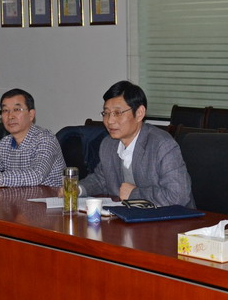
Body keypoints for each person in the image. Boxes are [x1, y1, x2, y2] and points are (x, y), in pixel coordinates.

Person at [78, 80, 193, 208]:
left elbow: (178, 196)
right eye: (106, 113)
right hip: (130, 216)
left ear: (139, 113)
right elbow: (101, 179)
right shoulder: (108, 144)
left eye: (117, 113)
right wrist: (77, 189)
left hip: (173, 218)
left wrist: (134, 194)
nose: (110, 121)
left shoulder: (162, 145)